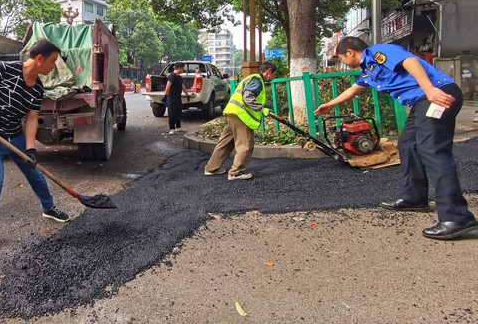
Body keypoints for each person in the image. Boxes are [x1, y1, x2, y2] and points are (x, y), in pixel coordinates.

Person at [315, 36, 477, 240]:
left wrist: (429, 90)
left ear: (350, 52)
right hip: (422, 102)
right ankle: (414, 198)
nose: (342, 63)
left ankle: (457, 218)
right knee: (408, 144)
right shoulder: (368, 71)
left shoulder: (378, 53)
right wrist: (330, 104)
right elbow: (353, 89)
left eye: (341, 59)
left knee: (432, 150)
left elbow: (410, 61)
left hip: (436, 95)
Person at [0, 39, 70, 251]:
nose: (54, 66)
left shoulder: (37, 88)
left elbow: (32, 117)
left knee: (35, 173)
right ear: (40, 58)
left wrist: (31, 148)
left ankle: (48, 207)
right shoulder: (6, 69)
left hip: (14, 135)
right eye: (53, 61)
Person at [203, 62, 278, 180]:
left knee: (225, 143)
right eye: (274, 74)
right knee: (245, 144)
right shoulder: (257, 81)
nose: (274, 77)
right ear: (269, 71)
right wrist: (261, 108)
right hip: (241, 116)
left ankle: (211, 168)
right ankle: (235, 173)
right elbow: (247, 97)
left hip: (232, 113)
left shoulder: (250, 78)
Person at [162, 62, 193, 135]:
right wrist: (165, 96)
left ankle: (178, 127)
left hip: (178, 97)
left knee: (178, 112)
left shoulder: (179, 77)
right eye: (183, 68)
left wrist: (187, 94)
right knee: (171, 113)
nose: (183, 70)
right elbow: (168, 86)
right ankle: (172, 128)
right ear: (179, 68)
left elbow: (183, 87)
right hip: (171, 97)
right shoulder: (172, 76)